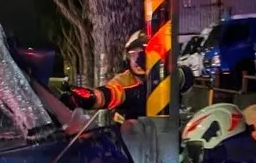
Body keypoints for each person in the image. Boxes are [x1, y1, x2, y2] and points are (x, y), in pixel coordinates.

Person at [61, 30, 193, 122]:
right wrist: (90, 98)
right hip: (132, 146)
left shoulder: (165, 75)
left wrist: (156, 72)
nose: (136, 59)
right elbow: (112, 93)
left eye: (142, 53)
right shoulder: (123, 79)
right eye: (132, 54)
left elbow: (186, 76)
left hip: (166, 142)